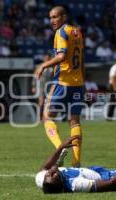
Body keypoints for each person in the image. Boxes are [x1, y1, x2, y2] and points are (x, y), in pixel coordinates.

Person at [35, 6, 85, 167]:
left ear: (64, 17)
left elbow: (62, 56)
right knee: (74, 122)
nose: (52, 21)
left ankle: (59, 147)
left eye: (55, 17)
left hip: (63, 82)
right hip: (78, 84)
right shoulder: (77, 32)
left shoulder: (61, 33)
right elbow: (81, 60)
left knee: (47, 117)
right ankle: (76, 163)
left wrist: (43, 65)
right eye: (50, 17)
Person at [32, 54, 53, 120]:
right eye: (46, 58)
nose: (47, 59)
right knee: (41, 103)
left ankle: (46, 117)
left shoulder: (52, 67)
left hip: (49, 87)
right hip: (40, 86)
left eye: (48, 58)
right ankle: (39, 117)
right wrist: (33, 86)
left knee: (48, 103)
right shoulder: (39, 66)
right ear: (44, 58)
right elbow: (35, 77)